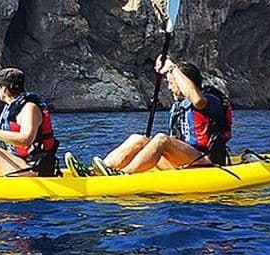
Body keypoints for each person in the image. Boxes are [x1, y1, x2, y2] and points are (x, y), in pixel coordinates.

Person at [65, 56, 232, 177]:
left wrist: (172, 68)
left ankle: (123, 175)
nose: (169, 86)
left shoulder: (209, 100)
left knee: (161, 139)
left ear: (184, 82)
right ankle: (94, 172)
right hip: (182, 160)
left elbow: (197, 100)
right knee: (139, 139)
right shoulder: (179, 106)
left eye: (171, 82)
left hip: (205, 161)